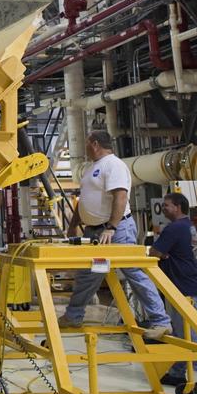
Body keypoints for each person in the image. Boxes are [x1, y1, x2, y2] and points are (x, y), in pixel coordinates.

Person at [59, 130, 172, 340]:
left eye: (86, 144)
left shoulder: (114, 165)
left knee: (133, 271)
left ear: (94, 144)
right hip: (95, 233)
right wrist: (74, 223)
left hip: (115, 231)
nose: (84, 148)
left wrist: (111, 227)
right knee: (89, 274)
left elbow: (120, 197)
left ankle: (161, 321)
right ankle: (74, 315)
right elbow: (84, 199)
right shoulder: (92, 168)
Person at [152, 193, 197, 393]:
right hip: (191, 284)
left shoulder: (174, 228)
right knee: (183, 332)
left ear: (178, 207)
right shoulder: (187, 226)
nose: (163, 209)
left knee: (189, 333)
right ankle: (177, 372)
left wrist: (163, 254)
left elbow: (154, 253)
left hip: (185, 288)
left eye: (167, 206)